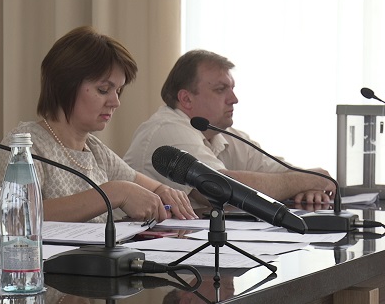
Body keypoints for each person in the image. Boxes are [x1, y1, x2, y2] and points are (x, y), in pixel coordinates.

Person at [0, 26, 197, 224]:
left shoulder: (95, 150)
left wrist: (165, 192)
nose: (115, 102)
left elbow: (153, 188)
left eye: (118, 91)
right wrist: (115, 192)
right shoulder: (24, 145)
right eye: (103, 89)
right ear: (66, 85)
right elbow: (15, 214)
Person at [124, 49, 335, 207]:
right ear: (186, 99)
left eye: (232, 89)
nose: (234, 99)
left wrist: (309, 187)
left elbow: (282, 172)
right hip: (142, 248)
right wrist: (307, 179)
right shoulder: (167, 129)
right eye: (221, 89)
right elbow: (219, 189)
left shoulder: (223, 134)